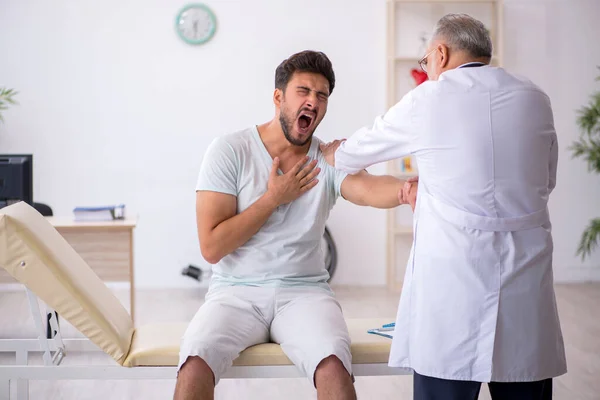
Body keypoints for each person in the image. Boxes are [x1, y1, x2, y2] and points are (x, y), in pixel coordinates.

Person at [321, 13, 567, 400]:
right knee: (525, 382)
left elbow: (352, 156)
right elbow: (547, 181)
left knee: (445, 383)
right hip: (525, 279)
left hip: (453, 284)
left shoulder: (428, 99)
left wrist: (333, 151)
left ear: (440, 53)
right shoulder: (535, 97)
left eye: (425, 62)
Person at [173, 50, 415, 400]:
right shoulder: (230, 151)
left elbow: (368, 188)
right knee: (194, 362)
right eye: (303, 91)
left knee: (333, 366)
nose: (313, 102)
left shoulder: (327, 157)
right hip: (234, 292)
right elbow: (212, 248)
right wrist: (273, 198)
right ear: (278, 97)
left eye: (321, 95)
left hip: (305, 293)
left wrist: (408, 190)